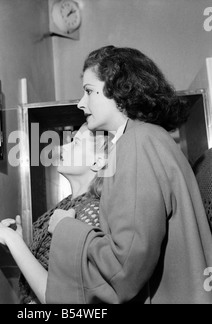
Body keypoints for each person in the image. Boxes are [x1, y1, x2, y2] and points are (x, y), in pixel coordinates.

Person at [46, 46, 212, 304]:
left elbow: (123, 270)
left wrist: (65, 227)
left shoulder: (137, 142)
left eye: (89, 91)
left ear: (120, 89)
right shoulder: (148, 138)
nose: (81, 103)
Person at [0, 124, 110, 304]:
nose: (62, 148)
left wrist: (13, 241)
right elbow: (48, 267)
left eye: (75, 143)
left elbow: (60, 298)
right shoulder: (68, 203)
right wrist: (17, 243)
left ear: (97, 162)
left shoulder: (93, 211)